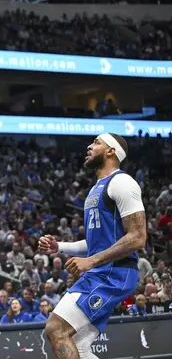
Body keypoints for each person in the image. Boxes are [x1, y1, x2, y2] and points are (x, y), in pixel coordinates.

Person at [39, 133, 146, 359]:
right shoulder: (97, 188)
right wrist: (59, 245)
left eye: (97, 142)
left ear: (111, 151)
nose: (89, 146)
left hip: (114, 272)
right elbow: (95, 242)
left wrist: (92, 261)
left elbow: (137, 237)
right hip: (102, 270)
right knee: (79, 344)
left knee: (56, 328)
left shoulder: (122, 182)